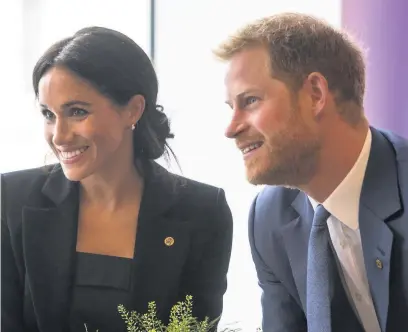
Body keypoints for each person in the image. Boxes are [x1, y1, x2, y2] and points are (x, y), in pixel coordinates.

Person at [1, 27, 233, 332]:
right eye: (48, 114)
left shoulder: (203, 212)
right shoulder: (11, 199)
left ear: (133, 110)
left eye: (77, 112)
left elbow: (195, 327)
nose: (59, 135)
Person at [214, 12, 408, 332]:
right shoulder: (269, 218)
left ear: (315, 94)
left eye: (250, 101)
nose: (231, 128)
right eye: (230, 107)